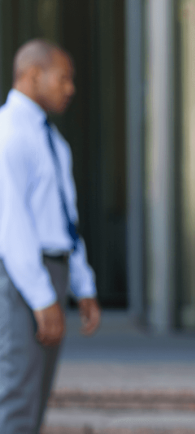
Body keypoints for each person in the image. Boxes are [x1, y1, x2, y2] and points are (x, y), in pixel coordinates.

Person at [0, 39, 101, 433]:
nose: (70, 88)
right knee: (16, 395)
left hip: (52, 268)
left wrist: (82, 283)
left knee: (34, 394)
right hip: (23, 274)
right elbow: (11, 222)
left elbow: (64, 218)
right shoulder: (8, 133)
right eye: (64, 78)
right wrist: (42, 296)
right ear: (32, 75)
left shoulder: (53, 140)